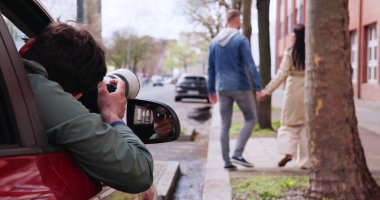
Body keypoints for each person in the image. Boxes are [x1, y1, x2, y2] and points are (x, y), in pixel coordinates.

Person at [19, 22, 154, 193]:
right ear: (77, 96)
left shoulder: (12, 79)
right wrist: (112, 115)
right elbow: (140, 174)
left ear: (27, 46)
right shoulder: (35, 90)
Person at [208, 9, 262, 170]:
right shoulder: (240, 39)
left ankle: (227, 162)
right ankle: (237, 153)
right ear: (236, 20)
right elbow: (250, 64)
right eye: (240, 19)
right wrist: (258, 87)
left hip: (222, 87)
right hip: (240, 86)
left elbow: (211, 68)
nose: (240, 22)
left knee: (225, 124)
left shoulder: (214, 41)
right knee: (251, 118)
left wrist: (211, 90)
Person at [258, 24, 311, 169]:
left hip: (293, 91)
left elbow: (281, 74)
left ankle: (288, 151)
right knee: (305, 128)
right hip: (308, 90)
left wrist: (266, 91)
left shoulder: (290, 52)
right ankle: (305, 162)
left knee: (288, 124)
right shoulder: (311, 51)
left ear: (294, 35)